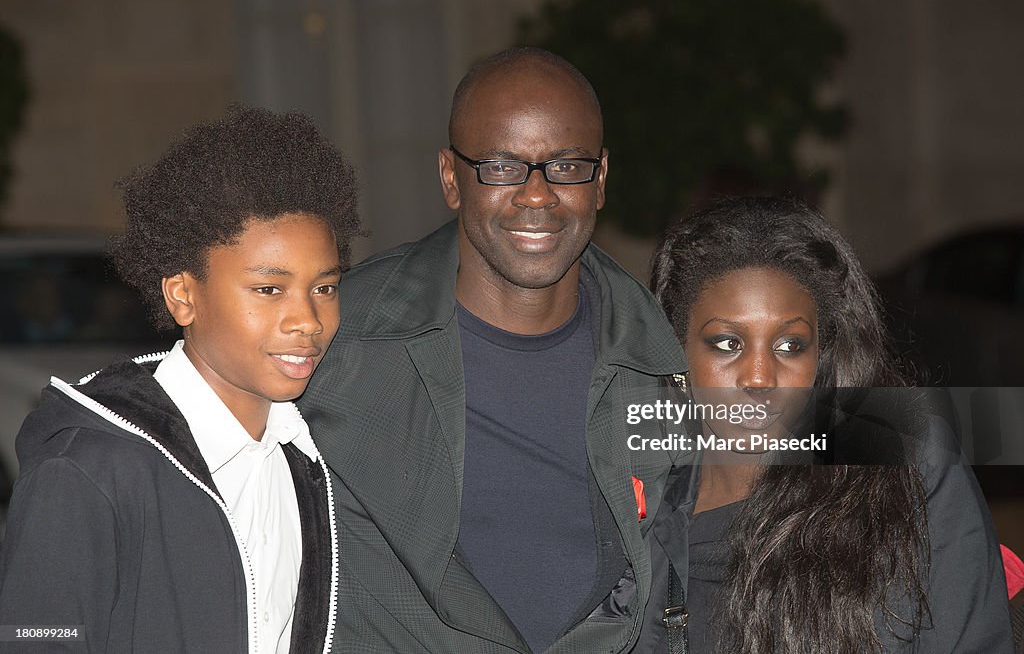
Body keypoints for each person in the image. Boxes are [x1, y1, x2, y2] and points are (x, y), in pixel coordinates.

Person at [299, 47, 688, 653]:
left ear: (601, 179)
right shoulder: (337, 335)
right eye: (503, 166)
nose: (537, 195)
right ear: (452, 179)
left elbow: (813, 459)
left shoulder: (663, 354)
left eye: (566, 166)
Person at [0, 104, 362, 654]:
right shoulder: (87, 470)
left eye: (325, 288)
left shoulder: (311, 459)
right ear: (182, 295)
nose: (307, 320)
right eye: (269, 289)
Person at [634, 196, 1014, 652]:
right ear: (676, 347)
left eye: (791, 345)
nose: (759, 377)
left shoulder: (895, 446)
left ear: (824, 352)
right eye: (727, 343)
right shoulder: (637, 475)